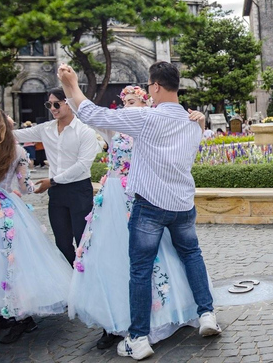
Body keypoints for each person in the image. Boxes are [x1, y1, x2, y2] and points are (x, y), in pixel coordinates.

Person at [57, 62, 221, 361]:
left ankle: (139, 337)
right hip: (183, 204)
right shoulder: (192, 122)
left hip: (151, 205)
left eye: (148, 86)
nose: (148, 91)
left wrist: (72, 84)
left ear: (156, 86)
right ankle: (207, 315)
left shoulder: (146, 117)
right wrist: (199, 122)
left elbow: (93, 113)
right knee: (191, 255)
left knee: (141, 269)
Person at [0, 108, 72, 344]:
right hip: (6, 207)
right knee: (14, 260)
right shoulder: (16, 151)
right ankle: (20, 317)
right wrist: (42, 185)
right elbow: (25, 188)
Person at [12, 88, 100, 264]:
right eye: (49, 104)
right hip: (56, 192)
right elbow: (16, 135)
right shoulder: (46, 129)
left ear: (69, 103)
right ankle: (74, 275)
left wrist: (52, 181)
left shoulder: (85, 132)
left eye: (56, 104)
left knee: (83, 239)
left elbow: (82, 165)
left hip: (79, 190)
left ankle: (87, 277)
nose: (52, 108)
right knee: (61, 241)